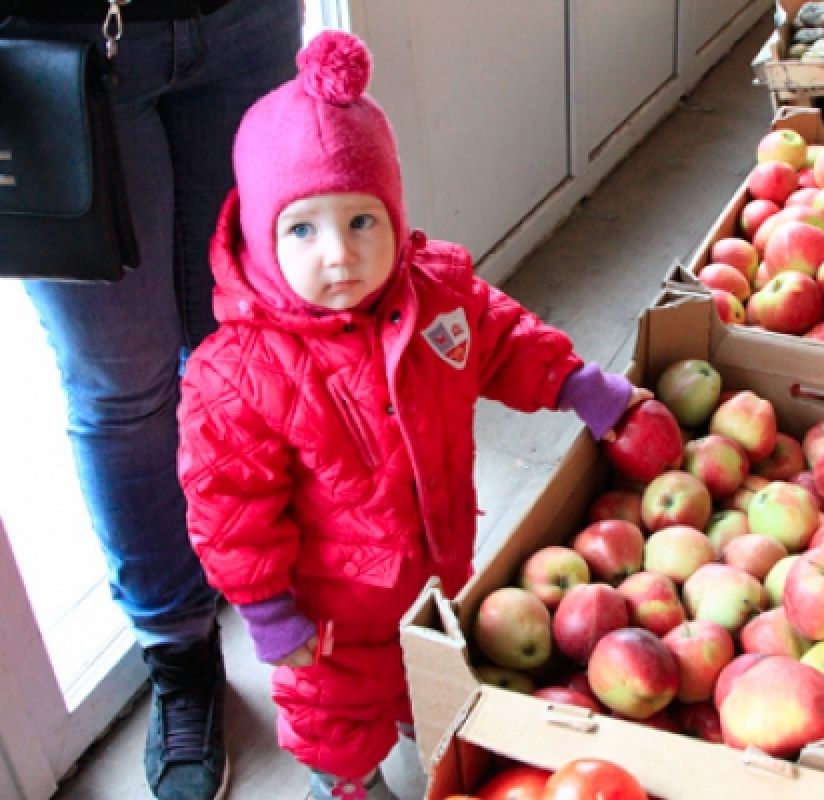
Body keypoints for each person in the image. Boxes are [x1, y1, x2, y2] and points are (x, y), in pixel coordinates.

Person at [176, 30, 640, 800]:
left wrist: (576, 384)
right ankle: (350, 784)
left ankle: (424, 731)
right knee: (336, 720)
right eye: (304, 229)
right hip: (330, 623)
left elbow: (504, 342)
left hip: (436, 569)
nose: (341, 255)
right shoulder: (238, 376)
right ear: (261, 237)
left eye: (363, 221)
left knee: (426, 679)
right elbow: (228, 508)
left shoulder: (438, 295)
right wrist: (266, 611)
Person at [0, 1, 301, 798]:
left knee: (241, 349)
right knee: (120, 384)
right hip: (47, 38)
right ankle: (179, 653)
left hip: (245, 22)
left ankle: (273, 583)